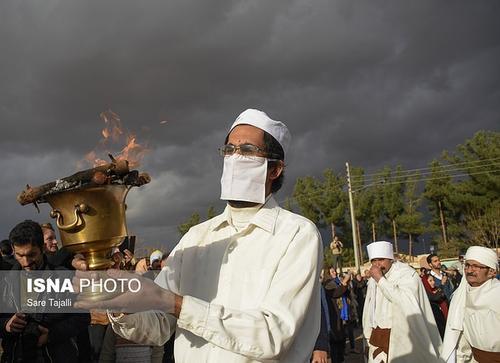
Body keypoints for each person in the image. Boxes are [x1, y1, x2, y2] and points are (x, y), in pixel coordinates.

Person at [76, 108, 323, 362]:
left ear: (275, 169)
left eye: (247, 151)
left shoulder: (296, 235)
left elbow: (273, 335)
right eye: (229, 150)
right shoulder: (196, 238)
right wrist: (122, 305)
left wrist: (176, 304)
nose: (234, 158)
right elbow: (159, 325)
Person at [0, 220, 90, 363]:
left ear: (42, 248)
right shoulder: (5, 281)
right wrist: (6, 325)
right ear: (13, 249)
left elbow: (82, 318)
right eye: (20, 255)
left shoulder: (62, 277)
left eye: (31, 254)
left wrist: (52, 335)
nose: (26, 262)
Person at [362, 241, 441, 362]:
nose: (377, 264)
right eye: (374, 260)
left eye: (381, 259)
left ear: (390, 259)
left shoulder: (407, 274)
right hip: (377, 342)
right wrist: (367, 340)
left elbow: (405, 302)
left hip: (402, 342)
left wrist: (381, 280)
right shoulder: (373, 280)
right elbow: (369, 311)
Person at [441, 246, 499, 363]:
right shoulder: (460, 296)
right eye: (467, 265)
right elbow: (459, 336)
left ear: (492, 272)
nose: (469, 270)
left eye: (475, 266)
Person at [421, 274, 448, 339]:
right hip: (436, 322)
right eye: (430, 281)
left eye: (433, 280)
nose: (433, 282)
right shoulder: (425, 293)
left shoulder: (436, 290)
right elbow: (435, 298)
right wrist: (442, 285)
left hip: (444, 319)